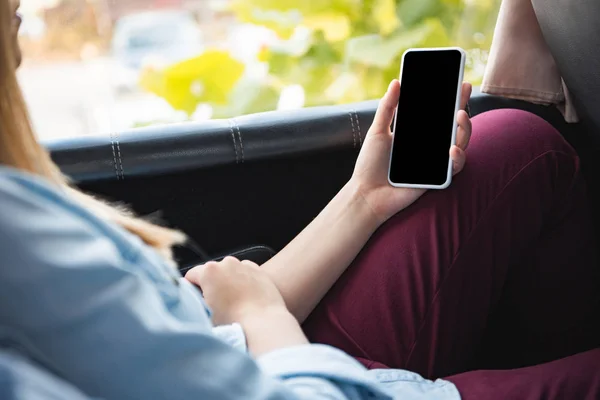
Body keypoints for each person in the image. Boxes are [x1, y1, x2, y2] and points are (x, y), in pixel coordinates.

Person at [1, 0, 599, 399]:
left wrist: (366, 197)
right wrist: (262, 317)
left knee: (519, 142)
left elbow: (203, 327)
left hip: (267, 352)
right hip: (303, 381)